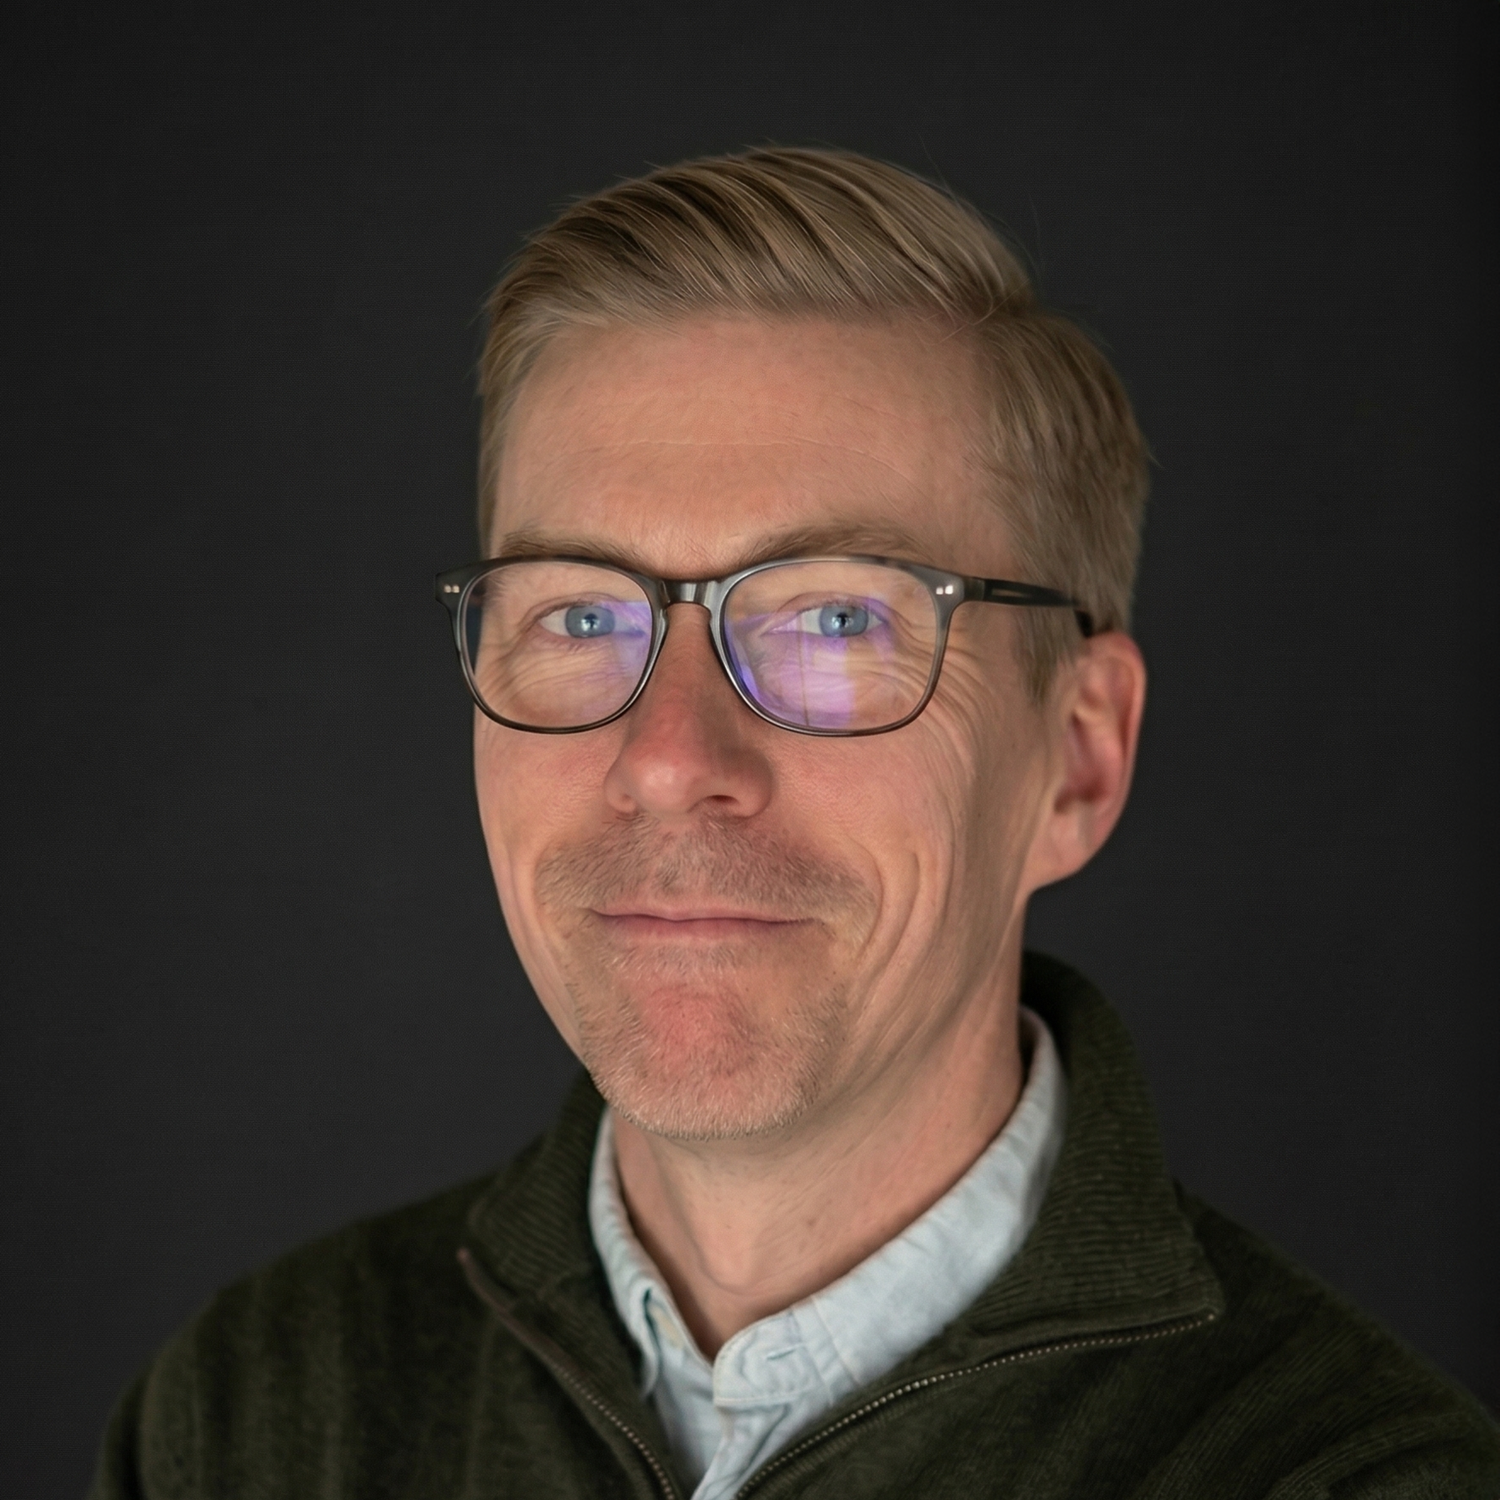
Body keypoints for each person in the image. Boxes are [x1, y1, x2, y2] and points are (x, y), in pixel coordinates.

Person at [91, 147, 1499, 1499]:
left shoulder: (1354, 1480)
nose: (668, 760)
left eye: (834, 620)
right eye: (578, 617)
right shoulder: (251, 1418)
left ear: (1076, 760)